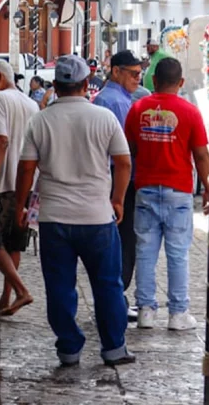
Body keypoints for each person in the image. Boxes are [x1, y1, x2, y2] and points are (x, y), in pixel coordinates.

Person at [14, 55, 135, 367]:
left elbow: (26, 169)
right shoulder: (104, 118)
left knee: (59, 287)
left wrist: (20, 206)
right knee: (108, 285)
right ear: (85, 84)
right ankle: (114, 348)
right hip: (97, 217)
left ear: (56, 86)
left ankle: (69, 347)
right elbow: (123, 162)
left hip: (54, 218)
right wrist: (118, 199)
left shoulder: (40, 121)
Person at [125, 57, 209, 331]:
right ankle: (177, 314)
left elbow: (129, 150)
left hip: (146, 188)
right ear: (181, 82)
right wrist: (208, 187)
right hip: (178, 191)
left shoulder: (138, 109)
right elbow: (201, 154)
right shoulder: (190, 112)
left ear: (153, 81)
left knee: (145, 253)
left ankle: (146, 312)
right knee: (178, 254)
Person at [0, 59, 38, 316]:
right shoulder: (31, 104)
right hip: (25, 183)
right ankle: (6, 297)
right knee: (14, 243)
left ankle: (21, 291)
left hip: (3, 182)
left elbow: (1, 140)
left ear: (1, 78)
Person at [92, 50, 142, 322]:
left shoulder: (115, 99)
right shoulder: (115, 102)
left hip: (114, 177)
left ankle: (115, 295)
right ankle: (116, 295)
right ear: (116, 72)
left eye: (139, 73)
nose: (137, 78)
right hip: (119, 178)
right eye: (133, 73)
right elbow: (123, 153)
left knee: (120, 239)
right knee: (123, 239)